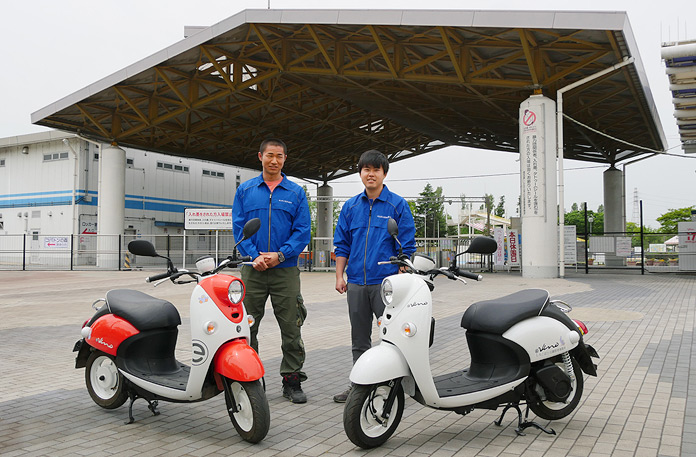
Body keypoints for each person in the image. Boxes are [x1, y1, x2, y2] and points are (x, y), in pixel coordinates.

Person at [332, 149, 416, 403]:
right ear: (360, 173)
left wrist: (402, 270)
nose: (371, 174)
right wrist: (339, 277)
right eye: (366, 169)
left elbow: (408, 246)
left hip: (386, 284)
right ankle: (360, 385)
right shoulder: (350, 207)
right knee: (359, 339)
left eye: (376, 169)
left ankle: (394, 386)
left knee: (391, 336)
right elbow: (342, 245)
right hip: (356, 283)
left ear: (384, 173)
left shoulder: (397, 205)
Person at [232, 138, 311, 403]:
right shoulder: (245, 191)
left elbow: (302, 232)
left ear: (285, 159)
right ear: (260, 156)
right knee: (246, 325)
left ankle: (292, 380)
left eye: (279, 156)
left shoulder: (296, 193)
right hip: (252, 271)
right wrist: (255, 256)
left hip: (285, 270)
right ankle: (249, 377)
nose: (274, 160)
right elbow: (239, 227)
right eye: (269, 155)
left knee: (291, 326)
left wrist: (280, 255)